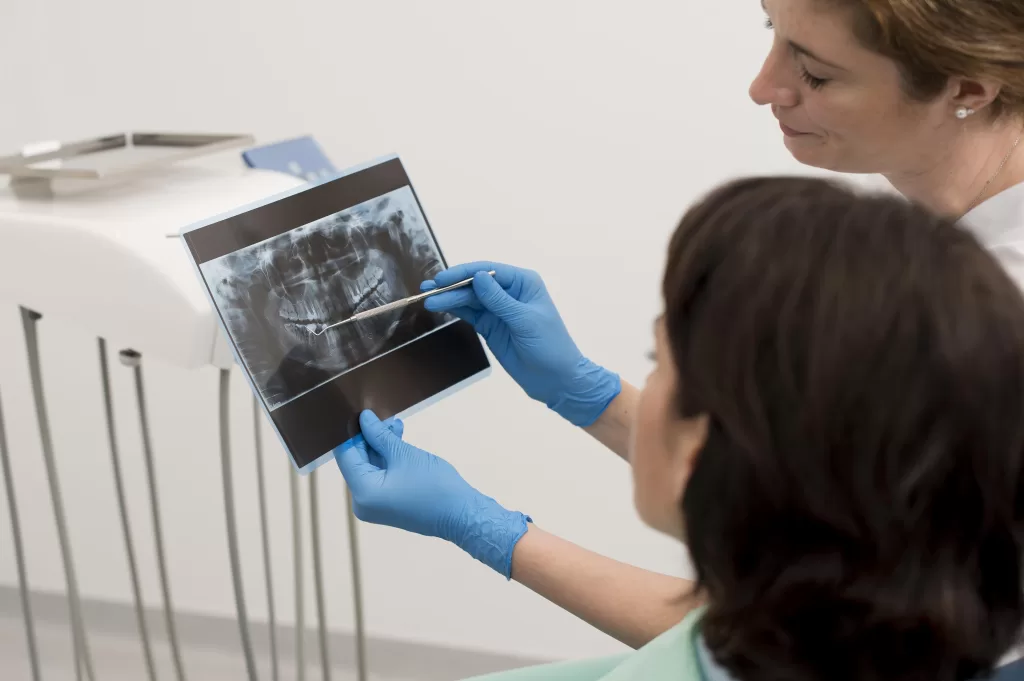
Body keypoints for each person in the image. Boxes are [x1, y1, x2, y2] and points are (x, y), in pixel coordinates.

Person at [337, 0, 1024, 673]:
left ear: (965, 87)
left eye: (814, 73)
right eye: (771, 33)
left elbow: (817, 641)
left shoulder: (987, 320)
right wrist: (585, 393)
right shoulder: (931, 255)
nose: (762, 88)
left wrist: (487, 528)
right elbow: (807, 488)